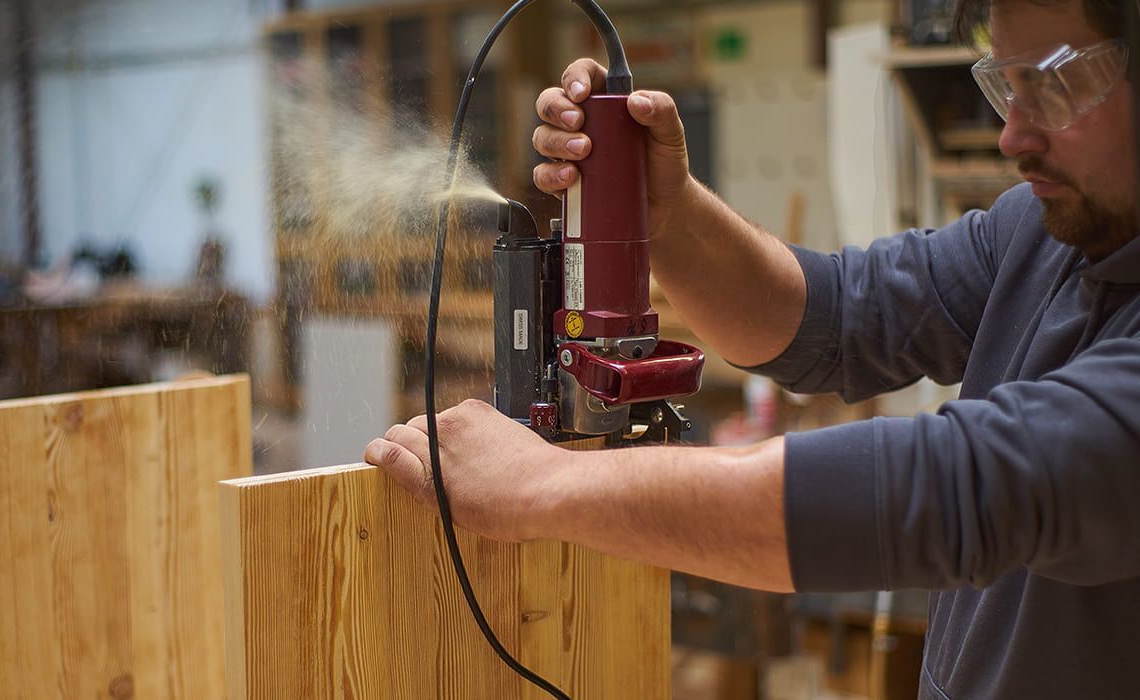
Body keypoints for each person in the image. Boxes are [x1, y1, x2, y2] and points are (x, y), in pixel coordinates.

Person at [366, 0, 1140, 695]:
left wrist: (541, 487)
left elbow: (951, 491)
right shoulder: (1043, 229)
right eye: (1006, 86)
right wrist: (666, 214)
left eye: (1055, 84)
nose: (1014, 134)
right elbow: (834, 322)